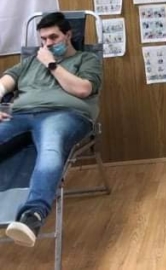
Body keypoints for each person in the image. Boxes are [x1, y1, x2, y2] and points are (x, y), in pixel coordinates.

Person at [0, 12, 102, 247]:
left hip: (64, 114)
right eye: (43, 39)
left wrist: (51, 64)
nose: (47, 43)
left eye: (53, 37)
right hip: (20, 115)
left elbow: (83, 90)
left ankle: (32, 216)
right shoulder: (29, 63)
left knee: (50, 149)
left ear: (68, 35)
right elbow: (4, 83)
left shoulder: (86, 60)